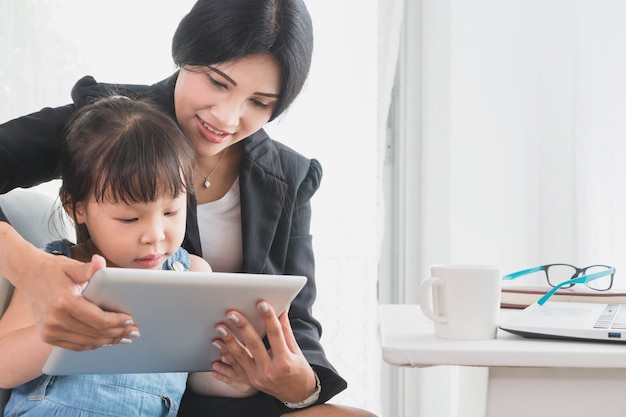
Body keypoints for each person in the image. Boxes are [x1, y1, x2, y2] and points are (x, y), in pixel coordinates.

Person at [0, 1, 376, 416]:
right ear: (187, 52)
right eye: (217, 83)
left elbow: (296, 322)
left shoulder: (290, 175)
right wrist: (26, 266)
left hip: (196, 393)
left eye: (260, 102)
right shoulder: (112, 127)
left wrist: (299, 385)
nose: (228, 116)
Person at [0, 96, 266, 416]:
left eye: (171, 211)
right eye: (129, 218)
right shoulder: (58, 271)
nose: (155, 234)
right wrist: (59, 332)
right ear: (76, 207)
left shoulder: (192, 273)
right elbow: (4, 366)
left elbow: (197, 374)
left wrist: (244, 376)